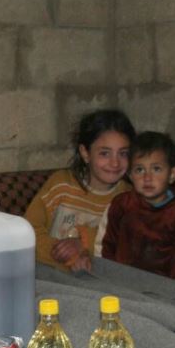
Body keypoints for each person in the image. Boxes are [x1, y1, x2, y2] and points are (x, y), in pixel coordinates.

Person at [25, 109, 135, 273]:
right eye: (105, 153)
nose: (115, 163)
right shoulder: (60, 185)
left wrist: (83, 244)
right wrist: (69, 257)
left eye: (123, 153)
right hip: (47, 274)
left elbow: (127, 244)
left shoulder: (130, 198)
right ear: (85, 153)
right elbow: (27, 232)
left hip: (98, 280)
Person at [94, 131, 175, 279]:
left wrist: (172, 289)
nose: (147, 178)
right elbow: (104, 247)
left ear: (172, 174)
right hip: (116, 282)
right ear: (130, 175)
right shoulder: (121, 205)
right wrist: (104, 278)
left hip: (162, 287)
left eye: (156, 169)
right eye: (139, 170)